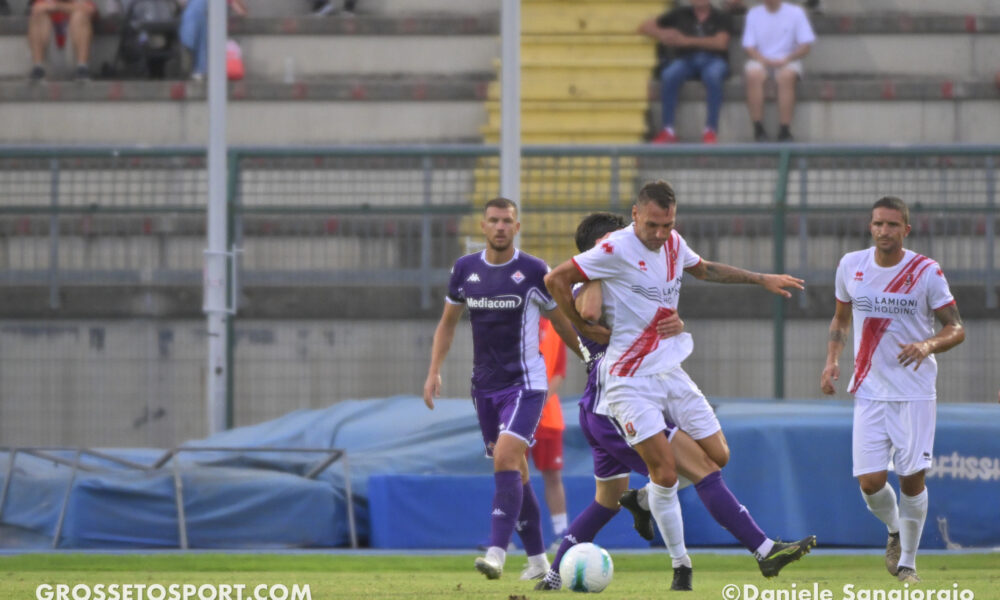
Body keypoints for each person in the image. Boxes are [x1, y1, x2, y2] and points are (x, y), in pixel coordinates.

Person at [535, 212, 815, 591]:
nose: (626, 245)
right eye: (611, 242)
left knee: (609, 501)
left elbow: (657, 311)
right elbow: (589, 313)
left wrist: (677, 323)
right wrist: (599, 269)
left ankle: (554, 575)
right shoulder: (588, 288)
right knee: (698, 469)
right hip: (616, 402)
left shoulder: (629, 279)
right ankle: (758, 550)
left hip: (610, 402)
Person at [423, 197, 586, 582]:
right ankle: (539, 561)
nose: (500, 226)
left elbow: (559, 320)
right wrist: (434, 371)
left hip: (526, 384)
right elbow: (448, 323)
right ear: (483, 226)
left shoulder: (533, 270)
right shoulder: (465, 269)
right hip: (485, 389)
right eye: (494, 220)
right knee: (518, 470)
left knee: (506, 456)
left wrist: (589, 356)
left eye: (506, 221)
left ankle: (496, 553)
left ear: (517, 227)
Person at [821, 196, 965, 584]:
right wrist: (832, 360)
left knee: (911, 480)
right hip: (869, 390)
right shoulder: (851, 265)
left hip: (914, 392)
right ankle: (896, 530)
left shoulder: (925, 271)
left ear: (906, 230)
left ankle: (908, 565)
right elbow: (840, 318)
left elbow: (956, 328)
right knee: (869, 483)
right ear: (870, 227)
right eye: (878, 224)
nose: (884, 231)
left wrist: (927, 345)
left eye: (892, 225)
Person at [638, 0, 734, 144]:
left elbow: (721, 43)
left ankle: (710, 131)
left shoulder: (721, 16)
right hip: (687, 59)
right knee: (669, 74)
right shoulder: (679, 13)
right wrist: (662, 33)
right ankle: (668, 130)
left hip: (714, 59)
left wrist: (686, 41)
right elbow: (644, 27)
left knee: (713, 76)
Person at [741, 0, 816, 141]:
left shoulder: (796, 13)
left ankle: (785, 130)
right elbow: (749, 46)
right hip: (760, 59)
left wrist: (787, 59)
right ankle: (758, 129)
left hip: (789, 59)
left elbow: (805, 46)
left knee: (786, 76)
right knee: (752, 74)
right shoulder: (753, 14)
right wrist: (763, 60)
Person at [534, 316, 570, 548]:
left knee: (553, 476)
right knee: (511, 474)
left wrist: (538, 403)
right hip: (514, 414)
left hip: (547, 418)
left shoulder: (556, 326)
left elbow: (558, 372)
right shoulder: (513, 318)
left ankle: (561, 533)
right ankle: (505, 536)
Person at [27, 0, 98, 81]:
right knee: (38, 16)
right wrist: (72, 7)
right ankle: (38, 68)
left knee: (80, 16)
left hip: (73, 53)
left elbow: (90, 10)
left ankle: (82, 68)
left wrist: (57, 6)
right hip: (50, 51)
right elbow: (37, 8)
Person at [179, 0, 247, 81]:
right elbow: (239, 10)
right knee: (198, 44)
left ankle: (197, 70)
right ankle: (199, 70)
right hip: (201, 20)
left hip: (197, 21)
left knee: (194, 43)